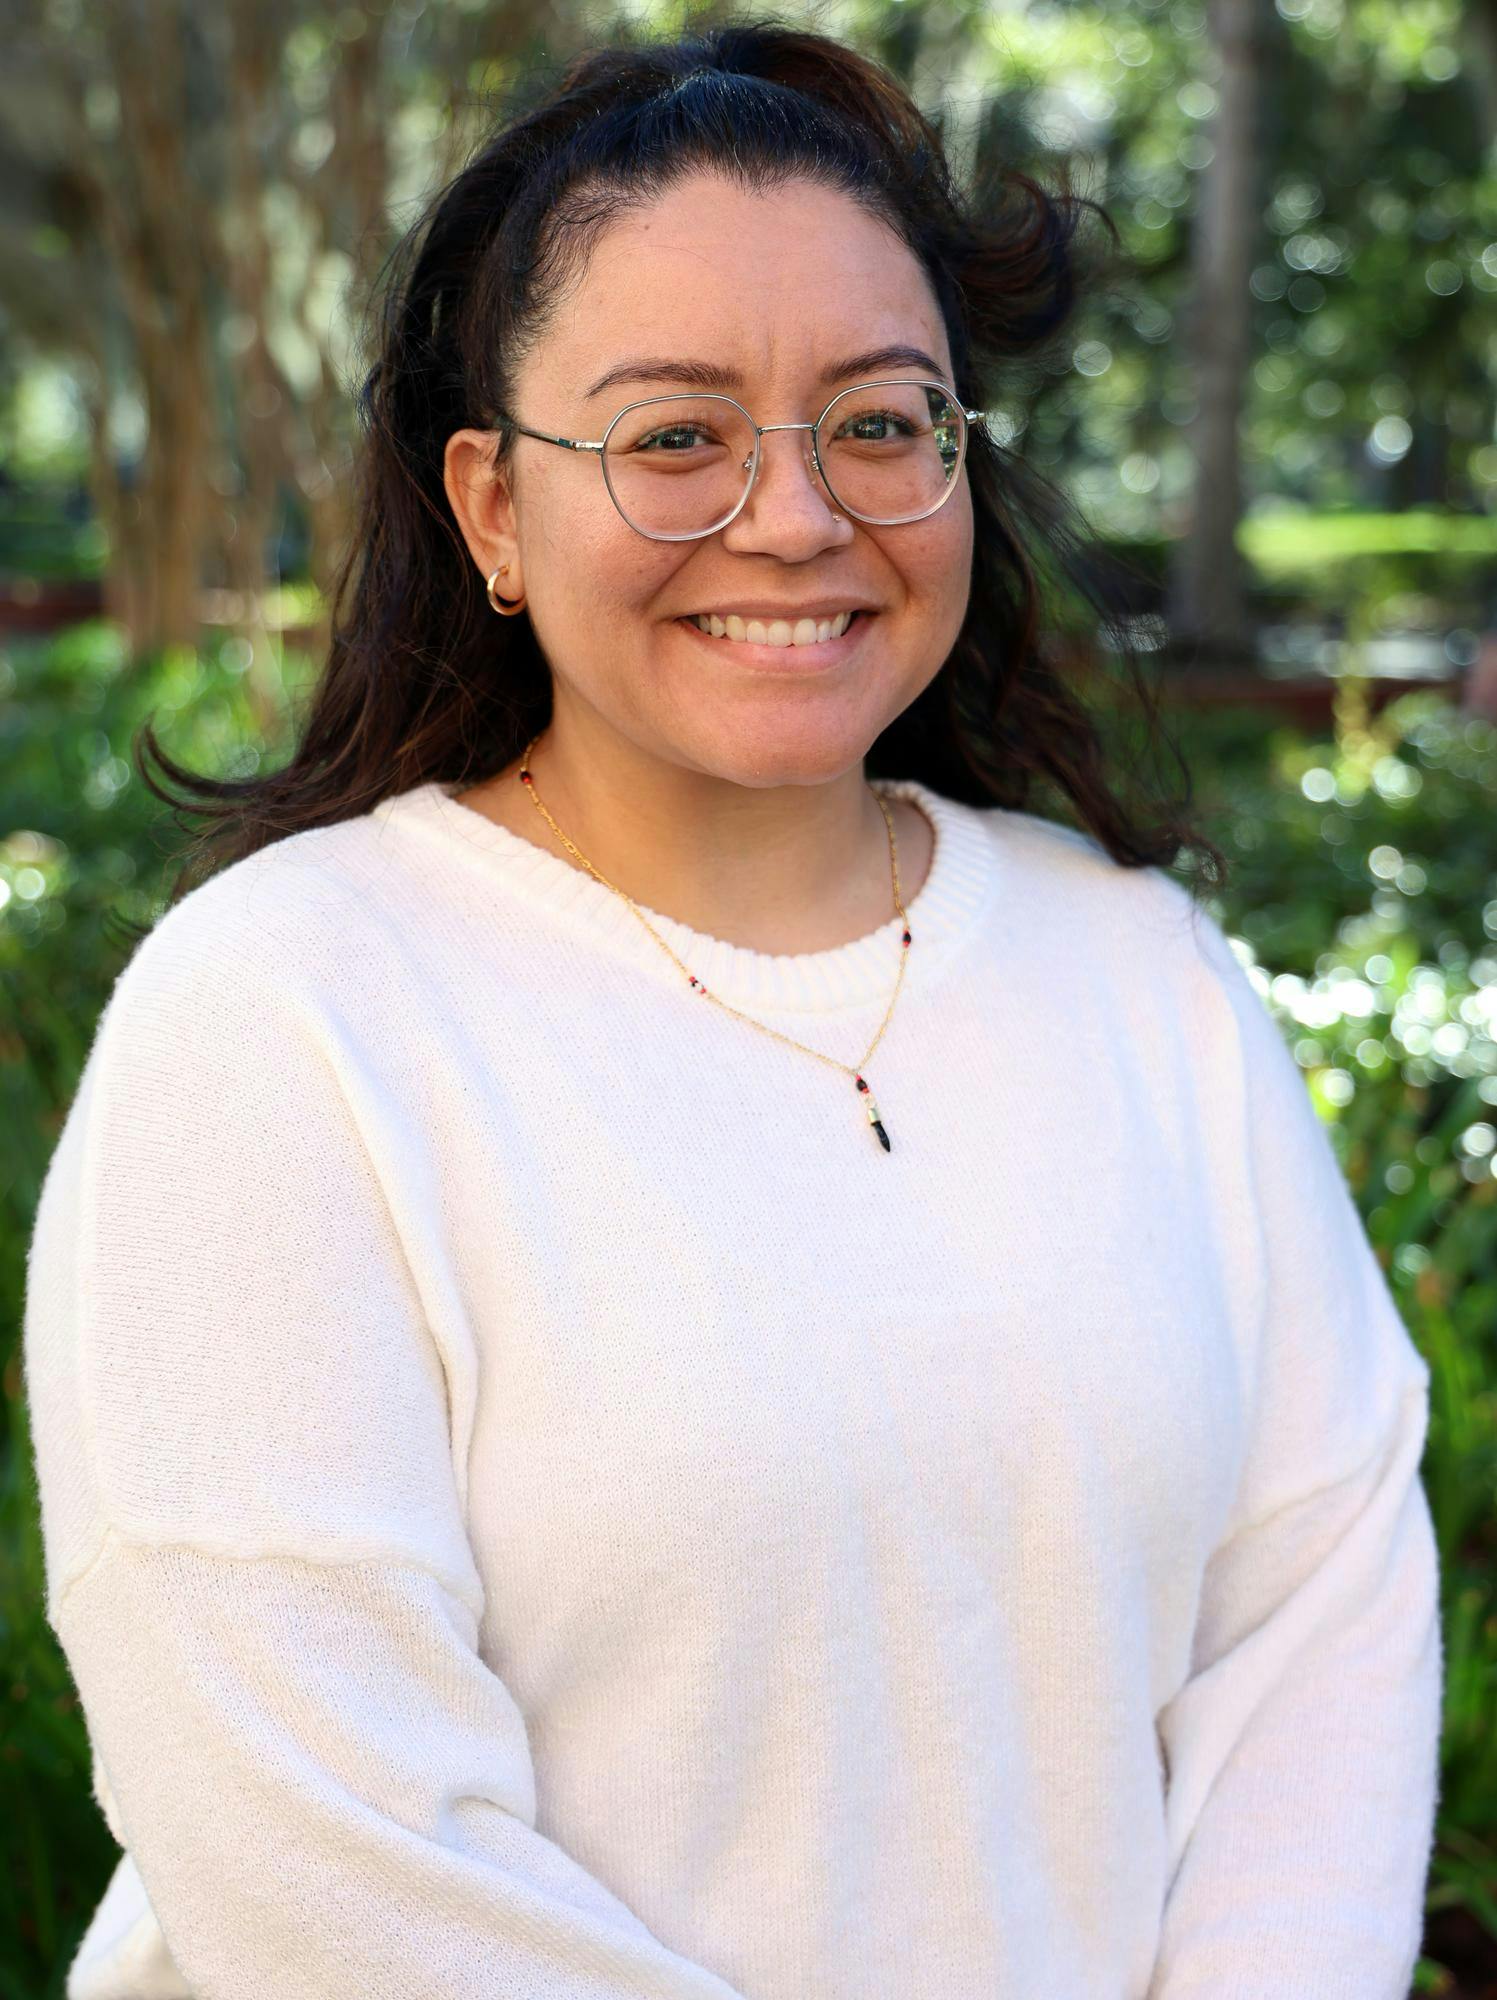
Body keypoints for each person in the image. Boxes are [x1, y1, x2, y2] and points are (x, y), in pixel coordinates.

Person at [22, 18, 1441, 2000]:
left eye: (877, 421)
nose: (792, 516)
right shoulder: (286, 1012)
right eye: (674, 433)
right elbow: (328, 1846)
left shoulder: (1141, 977)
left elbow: (1315, 1616)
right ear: (494, 509)